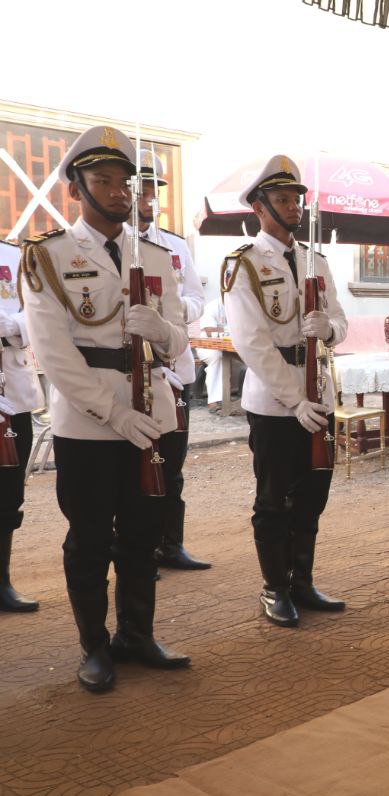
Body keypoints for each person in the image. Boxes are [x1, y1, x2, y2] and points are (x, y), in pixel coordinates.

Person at [21, 125, 191, 691]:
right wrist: (112, 413)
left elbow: (179, 339)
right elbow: (54, 354)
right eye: (103, 180)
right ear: (76, 189)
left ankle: (136, 635)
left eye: (125, 182)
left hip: (152, 413)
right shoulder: (49, 256)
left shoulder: (157, 256)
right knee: (90, 538)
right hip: (90, 425)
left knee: (143, 534)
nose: (119, 191)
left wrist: (161, 329)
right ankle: (94, 645)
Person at [223, 155, 349, 627]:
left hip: (318, 392)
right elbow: (251, 342)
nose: (293, 207)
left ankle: (302, 582)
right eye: (281, 199)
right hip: (276, 402)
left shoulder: (317, 260)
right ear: (259, 208)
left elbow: (340, 320)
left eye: (296, 199)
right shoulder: (244, 264)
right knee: (273, 499)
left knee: (313, 494)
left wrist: (328, 329)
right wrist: (294, 400)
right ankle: (274, 587)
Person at [132, 150, 210, 572]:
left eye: (153, 190)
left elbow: (196, 297)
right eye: (141, 190)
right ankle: (136, 549)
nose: (149, 198)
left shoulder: (175, 245)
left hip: (175, 366)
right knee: (134, 463)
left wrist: (172, 314)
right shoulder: (115, 246)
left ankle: (171, 543)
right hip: (132, 371)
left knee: (173, 460)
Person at [0, 238, 40, 612]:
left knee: (9, 491)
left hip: (12, 389)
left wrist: (10, 323)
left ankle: (2, 582)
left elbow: (40, 312)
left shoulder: (16, 256)